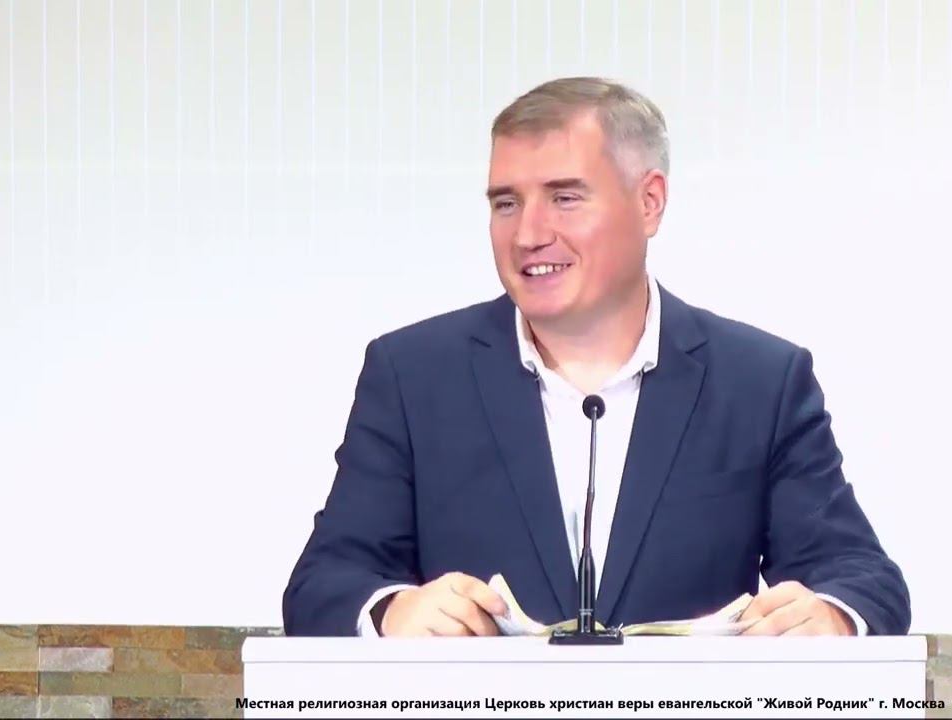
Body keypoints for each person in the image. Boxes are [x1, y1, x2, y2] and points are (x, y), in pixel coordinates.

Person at [283, 77, 911, 638]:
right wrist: (391, 611)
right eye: (506, 203)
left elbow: (862, 578)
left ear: (650, 202)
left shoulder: (761, 381)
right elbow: (323, 583)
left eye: (565, 197)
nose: (528, 234)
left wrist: (830, 616)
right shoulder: (413, 374)